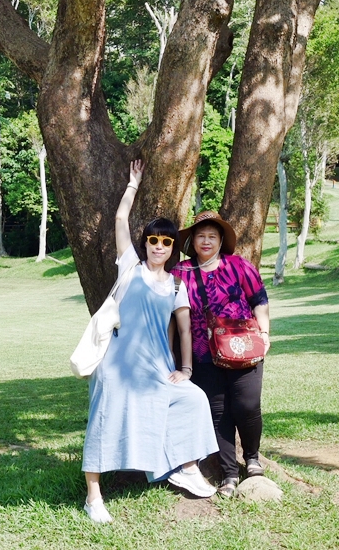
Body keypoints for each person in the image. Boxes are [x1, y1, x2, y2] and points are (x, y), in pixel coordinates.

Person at [81, 160, 219, 524]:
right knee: (104, 422)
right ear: (146, 243)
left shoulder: (176, 284)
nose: (159, 246)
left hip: (158, 368)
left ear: (174, 248)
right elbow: (119, 221)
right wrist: (132, 185)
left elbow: (186, 329)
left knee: (193, 399)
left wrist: (185, 368)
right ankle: (93, 496)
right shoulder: (130, 266)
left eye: (166, 241)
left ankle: (185, 466)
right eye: (154, 240)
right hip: (117, 366)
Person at [174, 211, 270, 498]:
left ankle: (252, 457)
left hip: (244, 349)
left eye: (212, 237)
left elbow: (259, 300)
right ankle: (229, 473)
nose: (206, 241)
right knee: (217, 415)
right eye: (201, 236)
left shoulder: (239, 265)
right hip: (202, 354)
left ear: (220, 241)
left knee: (247, 405)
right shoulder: (180, 273)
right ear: (192, 241)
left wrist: (265, 334)